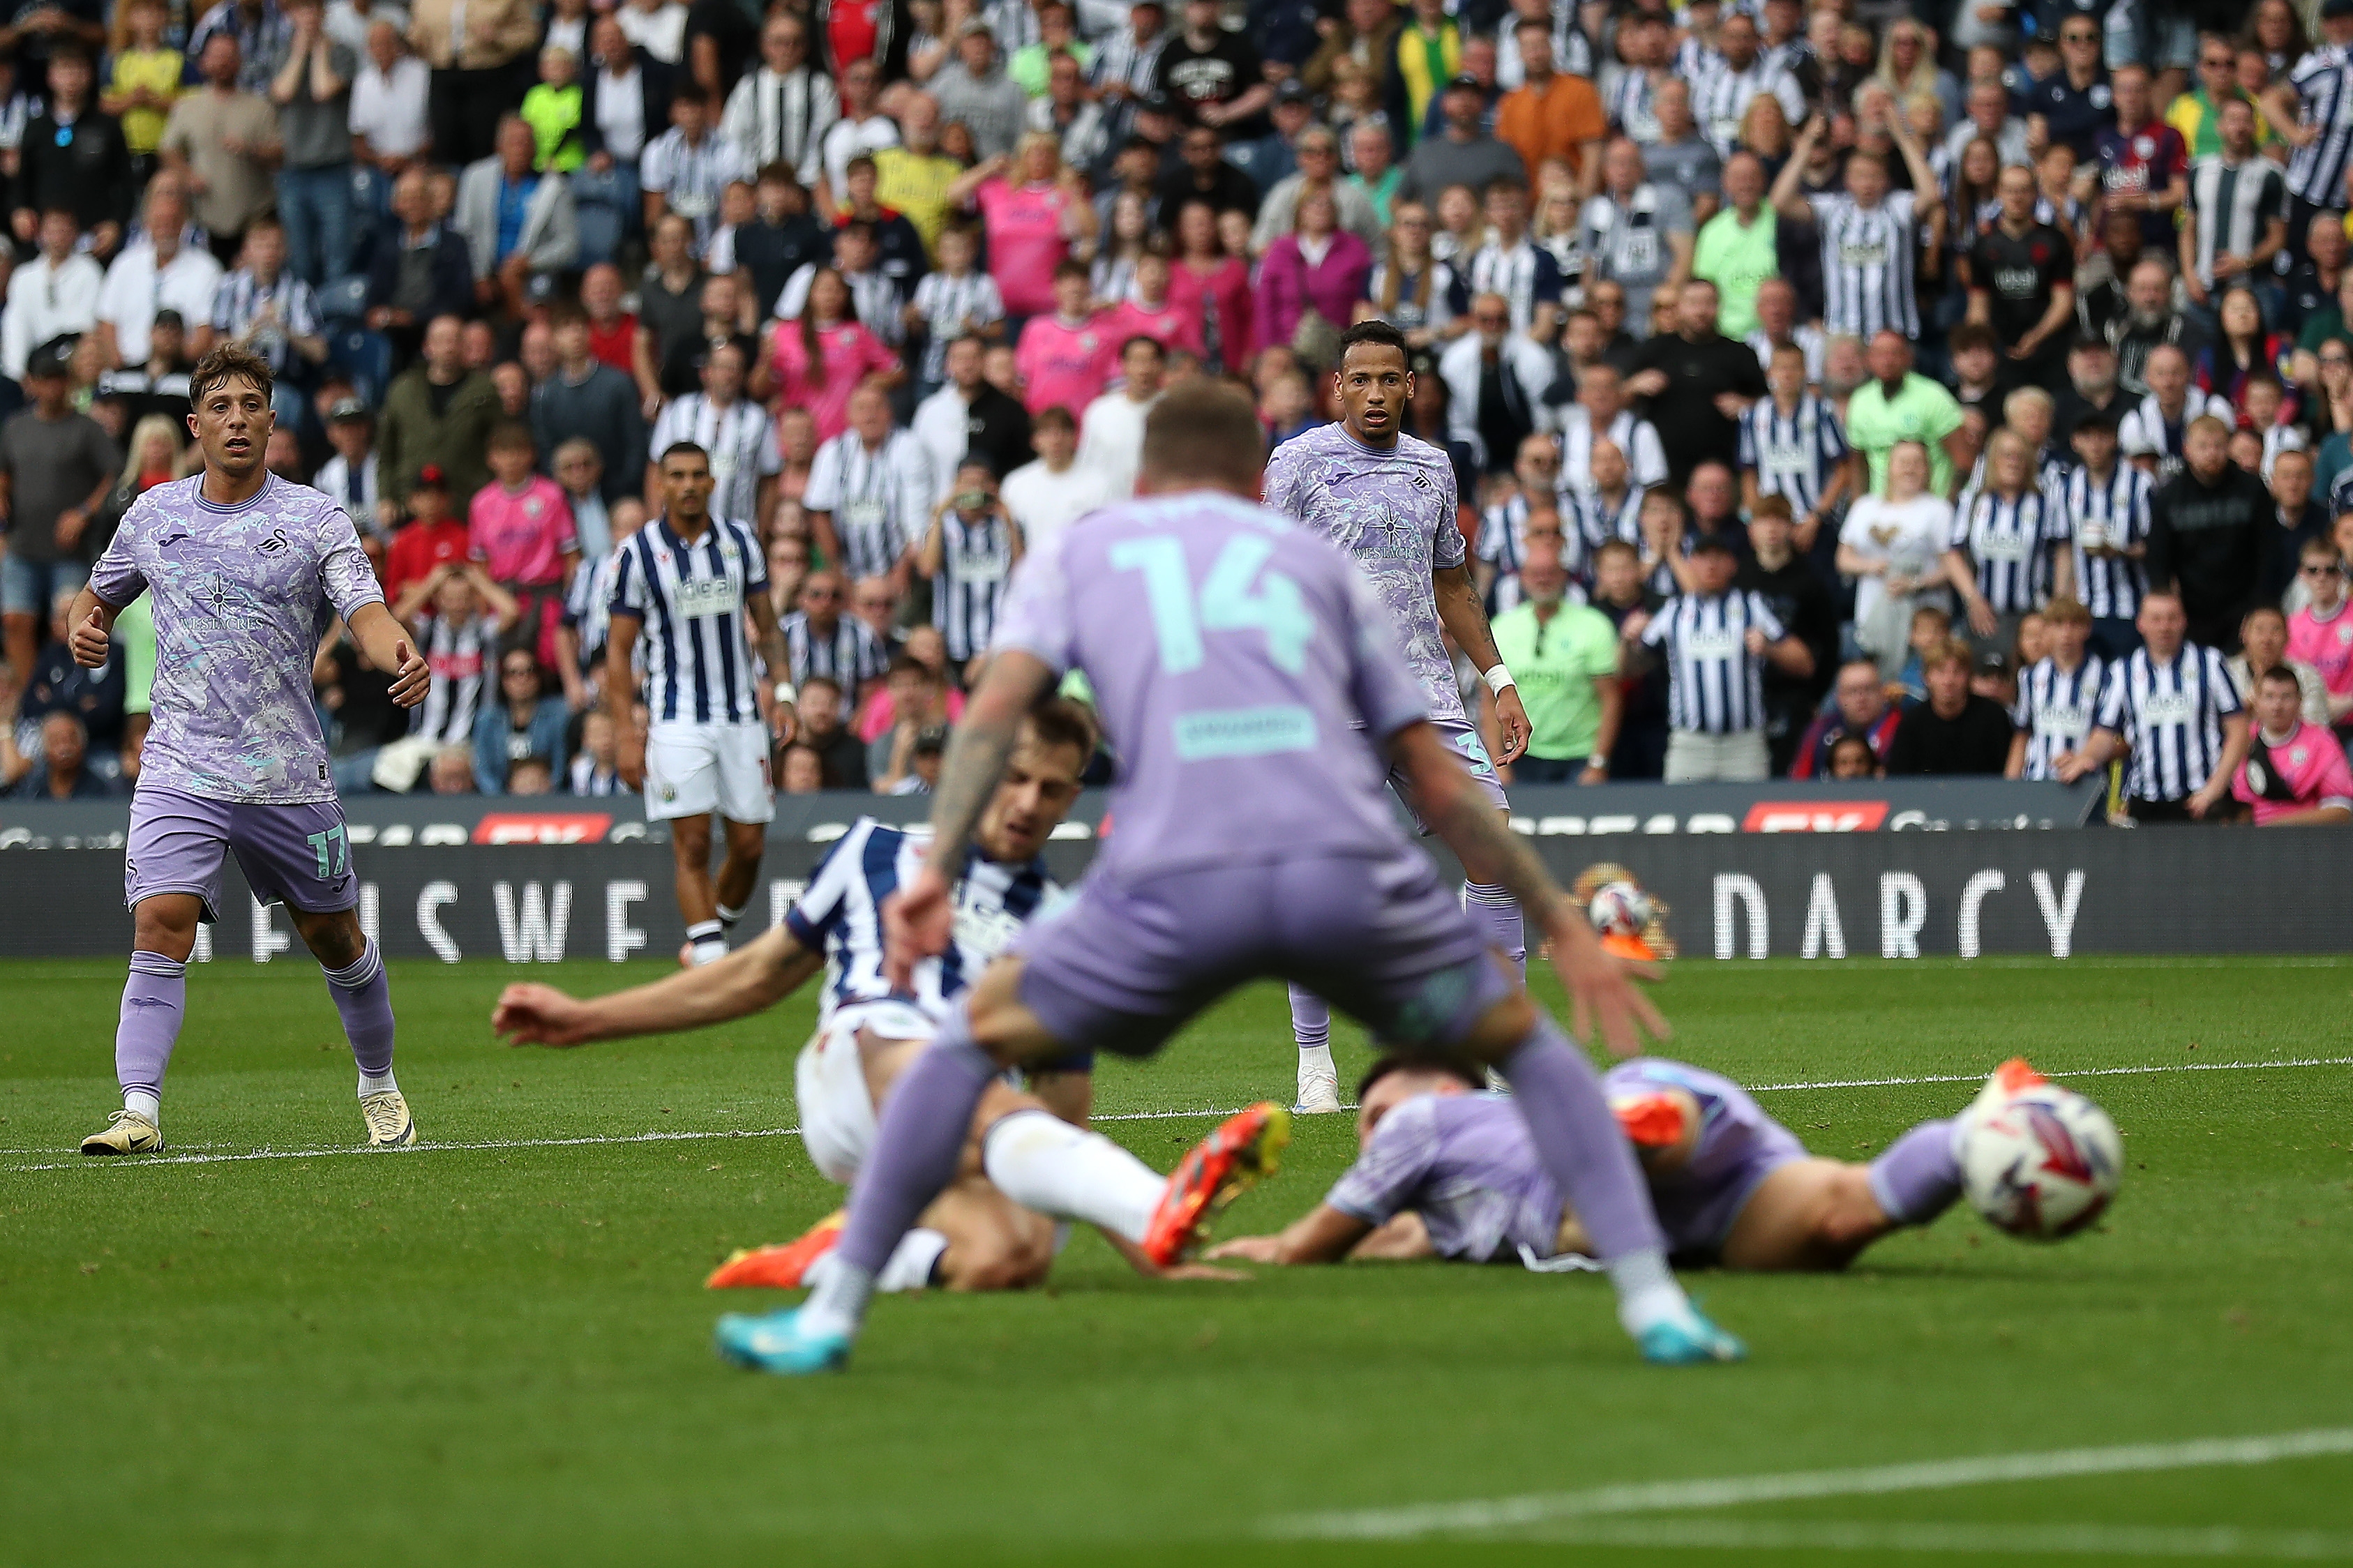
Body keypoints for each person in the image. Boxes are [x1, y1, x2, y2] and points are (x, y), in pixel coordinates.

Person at [713, 379, 1741, 1378]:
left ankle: (831, 1319)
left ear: (1147, 473)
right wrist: (1556, 917)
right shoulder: (1319, 564)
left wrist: (937, 866)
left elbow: (992, 711)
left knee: (964, 1047)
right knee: (1532, 1051)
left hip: (1173, 881)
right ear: (1258, 473)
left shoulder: (1085, 550)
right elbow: (1432, 765)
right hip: (1340, 873)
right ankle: (1655, 1305)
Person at [494, 704, 1268, 1295]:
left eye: (1052, 789)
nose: (1029, 801)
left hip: (978, 1125)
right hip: (862, 1065)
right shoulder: (876, 849)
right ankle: (1155, 1199)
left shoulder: (1061, 929)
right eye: (1015, 776)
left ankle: (828, 1254)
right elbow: (752, 975)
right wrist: (585, 1018)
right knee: (930, 1058)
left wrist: (1154, 1268)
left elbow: (1063, 1113)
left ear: (1070, 800)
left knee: (1012, 1256)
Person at [68, 343, 426, 1154]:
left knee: (337, 938)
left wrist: (398, 650)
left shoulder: (314, 518)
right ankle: (139, 1110)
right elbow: (91, 597)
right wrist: (83, 629)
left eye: (251, 406)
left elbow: (366, 612)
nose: (236, 420)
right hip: (180, 766)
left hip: (287, 775)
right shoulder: (153, 515)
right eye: (220, 408)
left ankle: (377, 1083)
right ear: (196, 426)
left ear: (272, 419)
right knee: (162, 922)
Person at [1265, 319, 1532, 1113]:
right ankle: (1314, 1059)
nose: (1376, 394)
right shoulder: (1298, 464)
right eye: (1361, 381)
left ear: (1411, 387)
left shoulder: (1433, 468)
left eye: (1390, 380)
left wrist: (1498, 676)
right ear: (1338, 388)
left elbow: (1451, 583)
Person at [1210, 1054, 2045, 1275]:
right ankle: (1981, 1129)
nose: (1373, 1130)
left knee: (1625, 1137)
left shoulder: (1426, 1120)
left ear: (1450, 1085)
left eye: (1376, 1107)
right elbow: (1383, 1245)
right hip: (1708, 1208)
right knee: (1841, 1216)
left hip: (1644, 1116)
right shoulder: (1441, 1217)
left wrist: (1274, 1246)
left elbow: (1320, 1239)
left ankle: (1630, 1138)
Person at [608, 442, 792, 967]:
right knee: (690, 845)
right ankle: (712, 958)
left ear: (712, 482)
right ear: (661, 484)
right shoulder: (637, 553)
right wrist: (625, 733)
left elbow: (769, 627)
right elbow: (618, 652)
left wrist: (783, 692)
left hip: (740, 716)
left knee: (750, 846)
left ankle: (712, 936)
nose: (688, 485)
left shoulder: (741, 543)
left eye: (697, 475)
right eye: (677, 476)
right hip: (676, 719)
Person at [1632, 532, 1812, 782]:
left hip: (1744, 745)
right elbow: (1633, 665)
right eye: (1703, 558)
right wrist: (1627, 639)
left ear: (1732, 565)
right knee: (1680, 816)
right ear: (1691, 564)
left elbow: (1804, 663)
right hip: (1689, 745)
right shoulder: (1673, 612)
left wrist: (1771, 649)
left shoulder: (1753, 607)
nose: (1711, 566)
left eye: (1718, 558)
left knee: (1750, 817)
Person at [2058, 589, 2248, 822]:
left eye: (2171, 618)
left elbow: (2238, 730)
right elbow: (2105, 734)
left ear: (2183, 622)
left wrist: (2215, 789)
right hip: (2146, 801)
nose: (2164, 626)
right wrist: (2084, 759)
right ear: (2141, 624)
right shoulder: (2123, 672)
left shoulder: (2210, 663)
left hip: (2202, 798)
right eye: (2156, 619)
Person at [0, 341, 121, 684]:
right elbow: (4, 469)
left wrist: (84, 512)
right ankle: (29, 700)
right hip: (22, 543)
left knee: (68, 623)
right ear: (32, 383)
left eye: (59, 379)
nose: (53, 387)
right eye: (46, 379)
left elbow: (114, 473)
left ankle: (64, 694)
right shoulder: (15, 427)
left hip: (69, 550)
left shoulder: (86, 428)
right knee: (15, 622)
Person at [1770, 106, 1940, 343]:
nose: (1867, 183)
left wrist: (1901, 136)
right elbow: (1780, 200)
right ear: (1847, 180)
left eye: (1874, 176)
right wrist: (1807, 142)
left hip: (1894, 335)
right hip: (1843, 336)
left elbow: (1931, 195)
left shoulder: (1899, 208)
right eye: (1860, 176)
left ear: (1886, 180)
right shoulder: (1832, 210)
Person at [1489, 534, 1618, 785]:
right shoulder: (1501, 628)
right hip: (1519, 756)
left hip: (1578, 757)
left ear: (1564, 576)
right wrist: (1497, 762)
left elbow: (1611, 699)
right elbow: (1488, 701)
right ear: (1522, 578)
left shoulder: (1595, 626)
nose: (1543, 579)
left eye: (1550, 572)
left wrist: (1598, 763)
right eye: (1535, 572)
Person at [2147, 414, 2270, 651]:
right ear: (2187, 449)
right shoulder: (2169, 497)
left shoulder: (2252, 489)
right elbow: (2158, 561)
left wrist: (2260, 606)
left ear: (2229, 448)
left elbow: (2268, 551)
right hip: (2192, 610)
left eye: (2218, 446)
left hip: (2246, 605)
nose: (2212, 453)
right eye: (2203, 446)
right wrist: (2173, 613)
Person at [1625, 279, 1766, 480]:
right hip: (1664, 473)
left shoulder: (1740, 354)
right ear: (1680, 307)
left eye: (1708, 303)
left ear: (1719, 306)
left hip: (1724, 472)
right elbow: (1618, 399)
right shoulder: (1654, 350)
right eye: (1693, 303)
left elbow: (1769, 405)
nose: (1701, 311)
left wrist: (1747, 406)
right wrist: (1633, 386)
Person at [1944, 428, 2066, 657]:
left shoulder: (2044, 503)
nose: (2013, 462)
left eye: (2020, 456)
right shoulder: (1973, 502)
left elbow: (2062, 551)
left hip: (2030, 615)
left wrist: (2057, 603)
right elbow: (1952, 554)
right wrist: (1972, 599)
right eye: (2006, 455)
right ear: (1992, 461)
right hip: (1983, 613)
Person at [804, 382, 936, 591]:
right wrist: (840, 577)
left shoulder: (909, 448)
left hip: (900, 571)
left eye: (877, 407)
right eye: (862, 409)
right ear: (849, 416)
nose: (870, 416)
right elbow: (820, 514)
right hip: (846, 573)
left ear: (890, 413)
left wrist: (902, 573)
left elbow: (917, 519)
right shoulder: (832, 452)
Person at [1738, 496, 1835, 773]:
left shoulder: (1810, 579)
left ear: (1791, 528)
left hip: (1796, 694)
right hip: (1750, 694)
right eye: (1764, 521)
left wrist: (1817, 697)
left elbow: (1829, 643)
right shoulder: (1739, 577)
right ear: (1751, 529)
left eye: (1779, 521)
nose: (1772, 529)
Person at [160, 35, 278, 259]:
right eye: (216, 56)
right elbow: (168, 150)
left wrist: (251, 150)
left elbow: (278, 156)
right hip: (204, 221)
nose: (222, 62)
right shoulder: (187, 105)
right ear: (204, 62)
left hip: (253, 220)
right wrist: (187, 175)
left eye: (229, 57)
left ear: (239, 62)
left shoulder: (259, 106)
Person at [456, 115, 582, 318]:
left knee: (525, 293)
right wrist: (479, 275)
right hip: (481, 272)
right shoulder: (475, 178)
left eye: (527, 142)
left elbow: (568, 245)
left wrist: (529, 262)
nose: (521, 148)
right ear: (499, 146)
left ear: (535, 148)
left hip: (533, 274)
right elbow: (464, 232)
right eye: (514, 142)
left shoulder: (555, 187)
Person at [1967, 163, 2076, 393]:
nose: (2016, 198)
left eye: (2024, 190)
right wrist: (1981, 344)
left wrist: (2036, 337)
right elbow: (1978, 304)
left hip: (2050, 347)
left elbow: (2064, 302)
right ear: (1998, 192)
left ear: (2035, 194)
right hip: (2001, 349)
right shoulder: (1983, 244)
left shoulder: (2054, 240)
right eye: (2010, 190)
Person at [377, 315, 502, 511]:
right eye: (441, 340)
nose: (449, 347)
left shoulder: (484, 390)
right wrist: (386, 497)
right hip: (411, 505)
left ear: (465, 346)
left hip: (467, 504)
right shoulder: (403, 390)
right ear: (427, 346)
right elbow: (386, 450)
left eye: (455, 340)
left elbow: (499, 444)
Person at [646, 339, 775, 525]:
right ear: (705, 372)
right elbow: (655, 468)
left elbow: (770, 480)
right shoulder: (677, 411)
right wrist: (656, 522)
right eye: (722, 367)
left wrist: (760, 534)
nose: (729, 375)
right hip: (678, 529)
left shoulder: (759, 419)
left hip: (737, 529)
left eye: (735, 368)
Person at [1845, 330, 1969, 499]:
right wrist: (1858, 506)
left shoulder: (1933, 397)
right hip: (1881, 511)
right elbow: (1859, 463)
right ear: (1868, 360)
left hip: (1928, 509)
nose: (1887, 361)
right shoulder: (1860, 401)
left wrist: (1947, 507)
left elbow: (1963, 462)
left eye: (1894, 353)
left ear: (1908, 357)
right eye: (1880, 354)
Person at [2232, 664, 2353, 824]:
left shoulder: (2322, 741)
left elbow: (2341, 809)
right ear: (2257, 701)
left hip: (2305, 838)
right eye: (2269, 697)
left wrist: (2279, 826)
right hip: (2250, 840)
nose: (2277, 706)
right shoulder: (2241, 740)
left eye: (2286, 697)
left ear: (2300, 701)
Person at [2008, 595, 2107, 781]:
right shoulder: (2030, 676)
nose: (2066, 633)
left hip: (2087, 783)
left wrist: (2084, 757)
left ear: (2087, 630)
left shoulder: (2105, 676)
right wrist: (2009, 787)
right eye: (2058, 624)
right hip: (2038, 781)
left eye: (2074, 625)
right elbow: (2022, 735)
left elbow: (2114, 737)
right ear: (2046, 630)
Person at [1884, 638, 2015, 775]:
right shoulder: (1912, 723)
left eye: (1957, 672)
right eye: (1941, 672)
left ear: (1969, 677)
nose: (1949, 681)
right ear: (1926, 677)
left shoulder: (1993, 717)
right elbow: (1899, 781)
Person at [1, 209, 104, 382]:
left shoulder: (89, 271)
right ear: (42, 234)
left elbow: (86, 326)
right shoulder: (23, 276)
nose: (57, 237)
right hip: (32, 365)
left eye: (63, 230)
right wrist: (18, 373)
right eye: (52, 230)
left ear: (75, 233)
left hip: (69, 364)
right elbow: (17, 325)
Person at [1075, 336, 1164, 500]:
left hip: (1158, 509)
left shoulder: (1173, 410)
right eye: (1137, 361)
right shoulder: (1100, 411)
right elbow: (1086, 464)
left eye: (1150, 361)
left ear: (1161, 366)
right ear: (1124, 365)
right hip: (1110, 507)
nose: (1143, 370)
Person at [472, 646, 570, 793]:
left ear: (538, 677)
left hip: (547, 801)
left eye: (529, 672)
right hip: (499, 804)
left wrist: (546, 792)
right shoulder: (487, 720)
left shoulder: (558, 715)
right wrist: (502, 801)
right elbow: (484, 770)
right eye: (514, 673)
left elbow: (560, 767)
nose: (522, 679)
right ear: (504, 680)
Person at [781, 568, 889, 698]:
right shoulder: (783, 633)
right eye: (816, 595)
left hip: (848, 716)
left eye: (834, 596)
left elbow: (872, 695)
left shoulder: (862, 635)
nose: (826, 603)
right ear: (801, 599)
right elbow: (767, 687)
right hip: (794, 715)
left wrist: (856, 719)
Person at [1789, 658, 1902, 778]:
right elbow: (1799, 781)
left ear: (1882, 692)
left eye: (1869, 689)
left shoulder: (1901, 728)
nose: (1861, 698)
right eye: (1853, 691)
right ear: (1839, 697)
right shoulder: (1818, 731)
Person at [2285, 539, 2353, 732]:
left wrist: (2344, 704)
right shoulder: (2291, 625)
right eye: (2313, 570)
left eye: (2330, 570)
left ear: (2341, 574)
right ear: (2302, 574)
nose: (2321, 577)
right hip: (2308, 727)